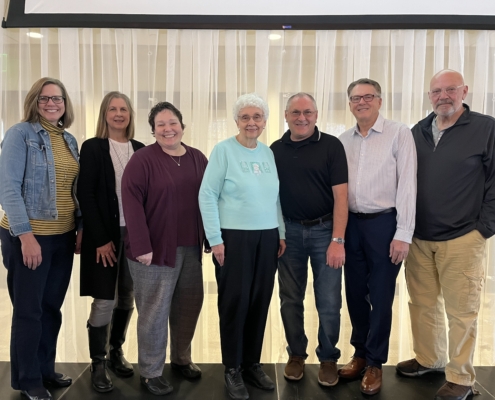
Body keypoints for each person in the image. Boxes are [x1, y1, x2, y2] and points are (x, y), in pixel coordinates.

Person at [396, 69, 495, 400]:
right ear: (429, 96)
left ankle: (461, 377)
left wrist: (484, 229)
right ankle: (429, 359)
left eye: (450, 89)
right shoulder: (418, 131)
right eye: (437, 91)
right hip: (420, 238)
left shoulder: (486, 128)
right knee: (422, 304)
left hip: (463, 238)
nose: (443, 96)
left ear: (464, 91)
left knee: (462, 312)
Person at [199, 93, 286, 400]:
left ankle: (251, 364)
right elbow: (207, 195)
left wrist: (281, 232)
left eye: (257, 117)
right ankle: (232, 368)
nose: (252, 122)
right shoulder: (223, 150)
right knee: (234, 303)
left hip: (267, 237)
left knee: (260, 302)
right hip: (233, 238)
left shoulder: (267, 153)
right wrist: (215, 238)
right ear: (236, 121)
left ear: (264, 121)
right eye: (245, 117)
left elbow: (275, 196)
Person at [0, 77, 80, 400]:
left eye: (57, 98)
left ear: (65, 104)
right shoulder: (20, 134)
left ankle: (45, 369)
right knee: (28, 311)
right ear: (34, 101)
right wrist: (26, 236)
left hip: (62, 238)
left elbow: (73, 190)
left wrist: (79, 228)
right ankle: (28, 379)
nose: (51, 103)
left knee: (51, 308)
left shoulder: (69, 140)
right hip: (29, 237)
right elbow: (8, 188)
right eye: (44, 98)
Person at [122, 101, 207, 396]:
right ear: (153, 130)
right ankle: (150, 372)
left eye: (173, 123)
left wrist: (212, 237)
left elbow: (210, 198)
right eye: (161, 125)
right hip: (153, 251)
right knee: (154, 312)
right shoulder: (142, 160)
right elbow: (131, 202)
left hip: (191, 247)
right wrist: (142, 246)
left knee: (189, 305)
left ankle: (181, 359)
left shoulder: (198, 158)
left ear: (182, 126)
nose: (168, 129)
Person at [338, 78, 417, 395]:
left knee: (381, 296)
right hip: (351, 225)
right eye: (356, 98)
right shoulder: (343, 140)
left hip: (385, 224)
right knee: (355, 293)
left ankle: (374, 363)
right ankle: (359, 353)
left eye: (368, 96)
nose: (362, 102)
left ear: (380, 101)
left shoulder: (399, 133)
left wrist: (404, 233)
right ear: (350, 104)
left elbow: (408, 185)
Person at [270, 93, 348, 387]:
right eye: (295, 112)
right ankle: (296, 354)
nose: (301, 118)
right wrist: (279, 233)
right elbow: (271, 197)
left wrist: (338, 240)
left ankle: (328, 358)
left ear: (316, 115)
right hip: (288, 233)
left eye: (307, 112)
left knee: (328, 300)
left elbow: (342, 197)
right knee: (290, 298)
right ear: (286, 115)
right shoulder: (275, 150)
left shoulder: (331, 146)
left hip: (325, 232)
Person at [78, 92, 145, 392]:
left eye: (124, 109)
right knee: (106, 298)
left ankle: (116, 350)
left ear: (130, 115)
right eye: (113, 109)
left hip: (135, 236)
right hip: (104, 235)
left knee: (127, 295)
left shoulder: (141, 149)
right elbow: (86, 194)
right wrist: (102, 239)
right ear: (104, 114)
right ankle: (98, 362)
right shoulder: (93, 147)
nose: (119, 114)